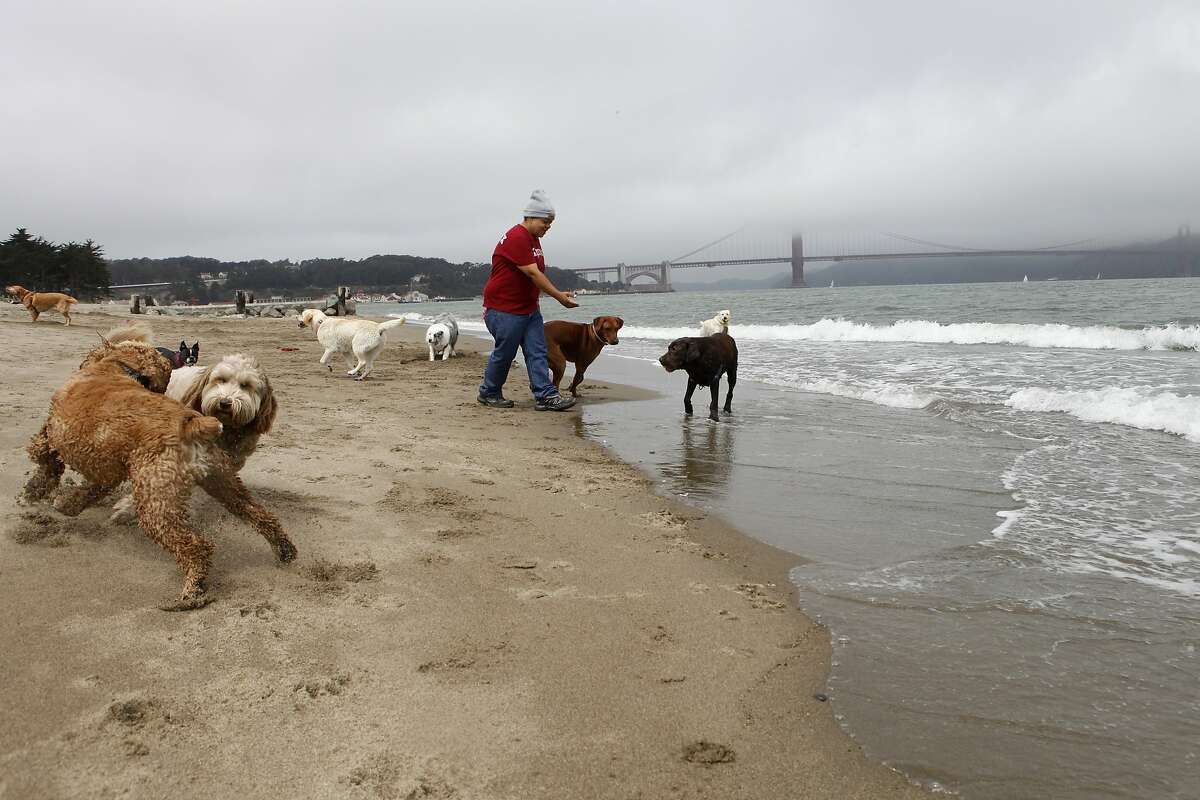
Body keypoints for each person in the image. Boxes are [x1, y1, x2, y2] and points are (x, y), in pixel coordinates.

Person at [477, 189, 579, 411]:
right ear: (531, 217)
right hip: (504, 309)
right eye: (545, 221)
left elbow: (536, 275)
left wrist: (559, 291)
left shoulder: (533, 238)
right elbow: (533, 273)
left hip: (528, 309)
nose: (548, 227)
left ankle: (545, 395)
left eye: (551, 223)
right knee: (505, 353)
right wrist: (559, 297)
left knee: (537, 350)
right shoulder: (517, 237)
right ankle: (489, 392)